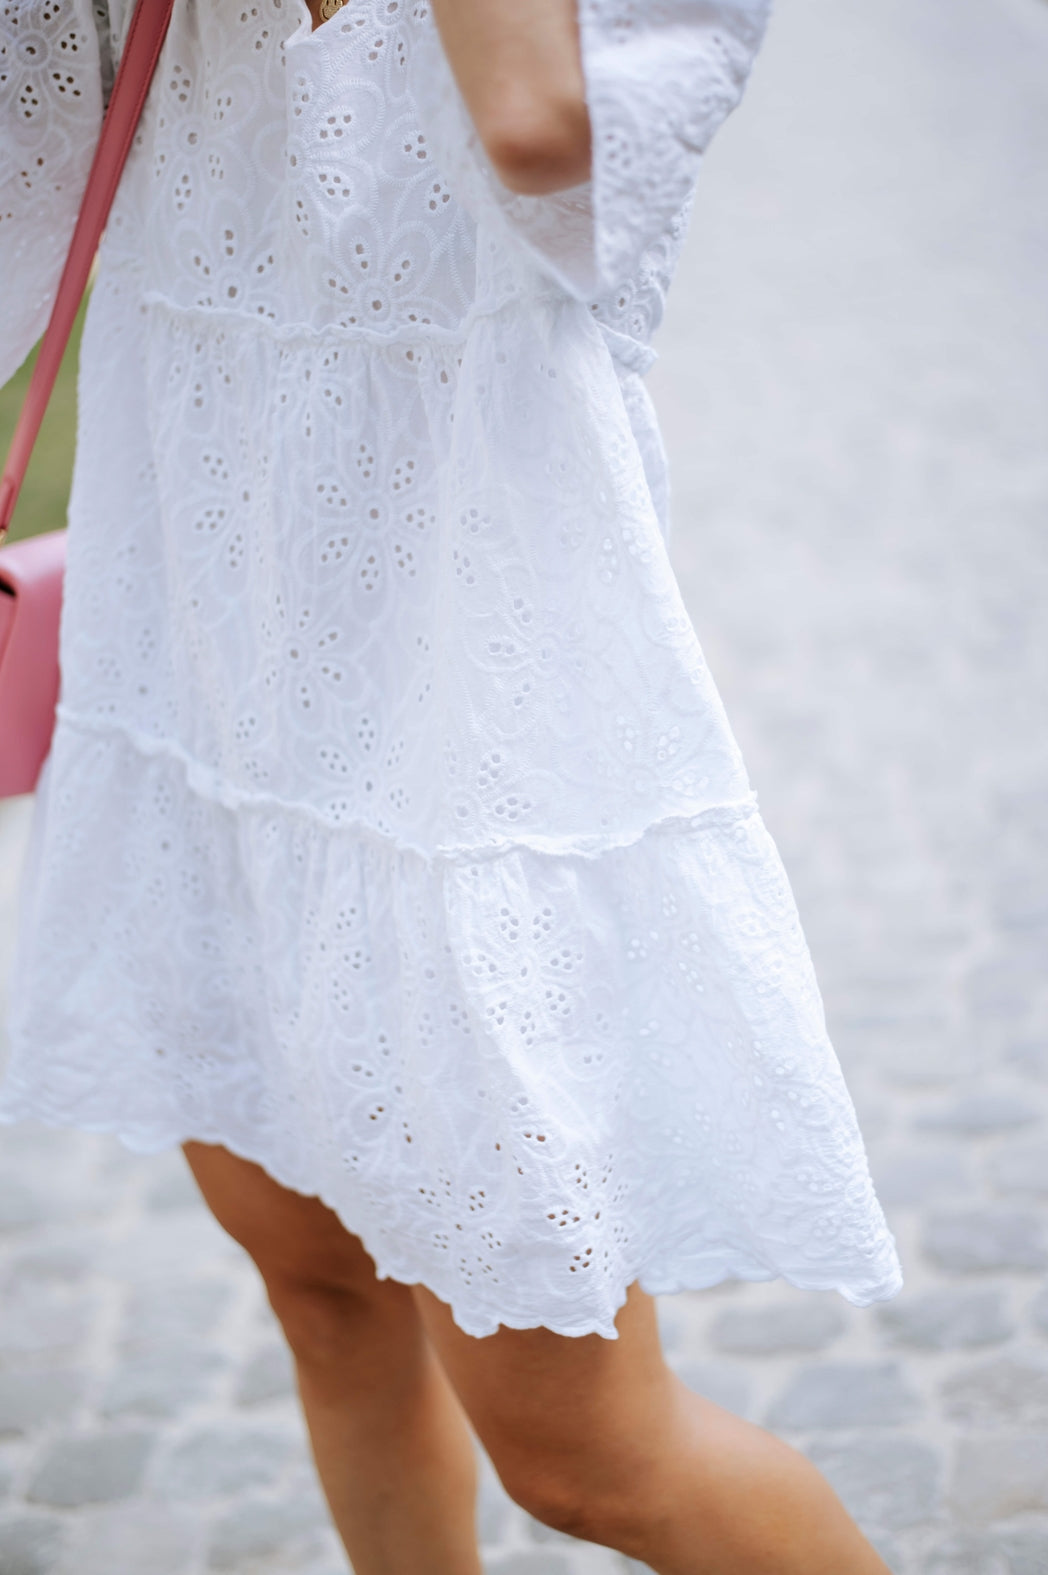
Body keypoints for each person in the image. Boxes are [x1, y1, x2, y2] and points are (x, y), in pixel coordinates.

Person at [0, 0, 903, 1568]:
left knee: (591, 1455)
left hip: (463, 770)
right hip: (212, 697)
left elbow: (541, 125)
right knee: (325, 1301)